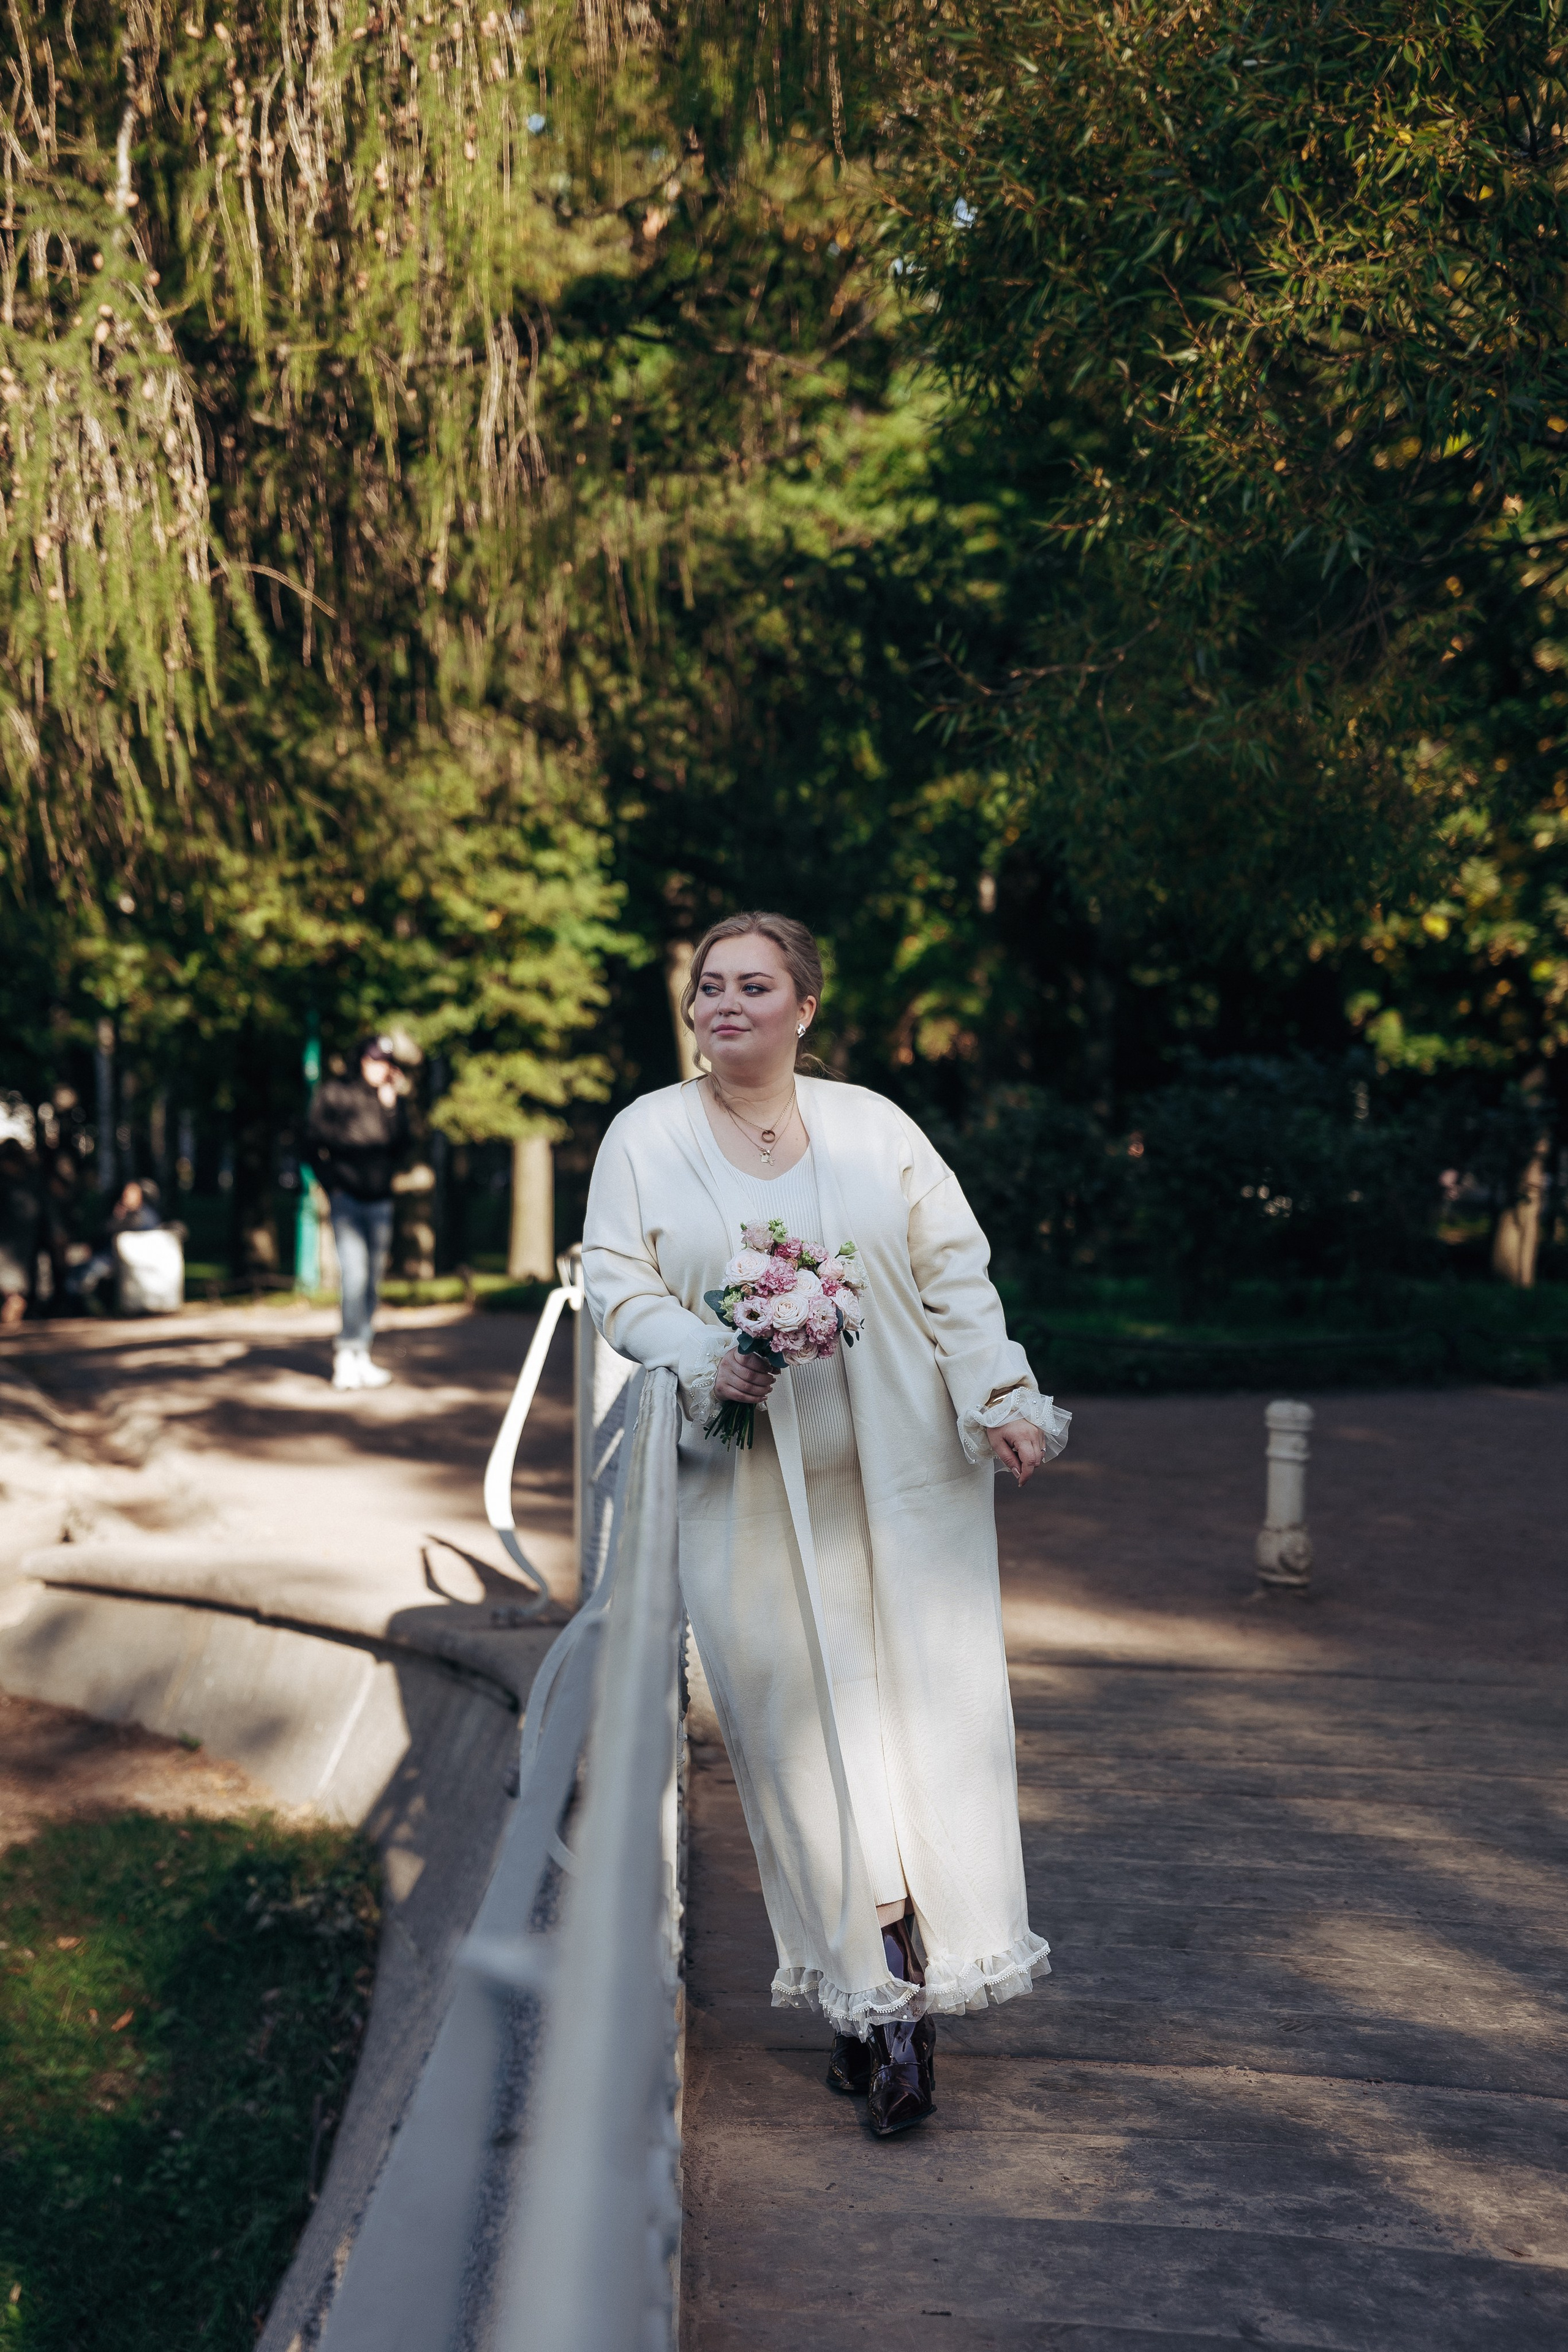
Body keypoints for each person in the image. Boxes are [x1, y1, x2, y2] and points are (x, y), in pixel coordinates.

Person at [582, 912, 1069, 2138]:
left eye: (754, 986)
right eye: (708, 987)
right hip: (743, 1484)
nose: (726, 1004)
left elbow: (952, 1268)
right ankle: (870, 2001)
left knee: (917, 1727)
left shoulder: (873, 1129)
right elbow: (614, 1281)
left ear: (804, 1007)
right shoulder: (642, 1136)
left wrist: (1000, 1396)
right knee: (802, 1742)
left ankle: (890, 2005)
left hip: (900, 1481)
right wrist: (704, 1351)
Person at [306, 1036, 409, 1390]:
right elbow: (309, 1140)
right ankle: (346, 1354)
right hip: (347, 1200)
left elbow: (403, 1148)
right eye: (374, 1060)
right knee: (355, 1276)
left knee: (373, 1281)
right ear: (361, 1060)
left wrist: (393, 1108)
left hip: (380, 1201)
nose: (380, 1067)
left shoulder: (390, 1101)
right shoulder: (336, 1094)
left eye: (386, 1062)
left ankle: (362, 1352)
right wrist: (330, 1183)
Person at [0, 1137, 43, 1325]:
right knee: (16, 1280)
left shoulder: (28, 1179)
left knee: (15, 1281)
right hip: (18, 1237)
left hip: (17, 1238)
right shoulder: (29, 1178)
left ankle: (13, 1305)